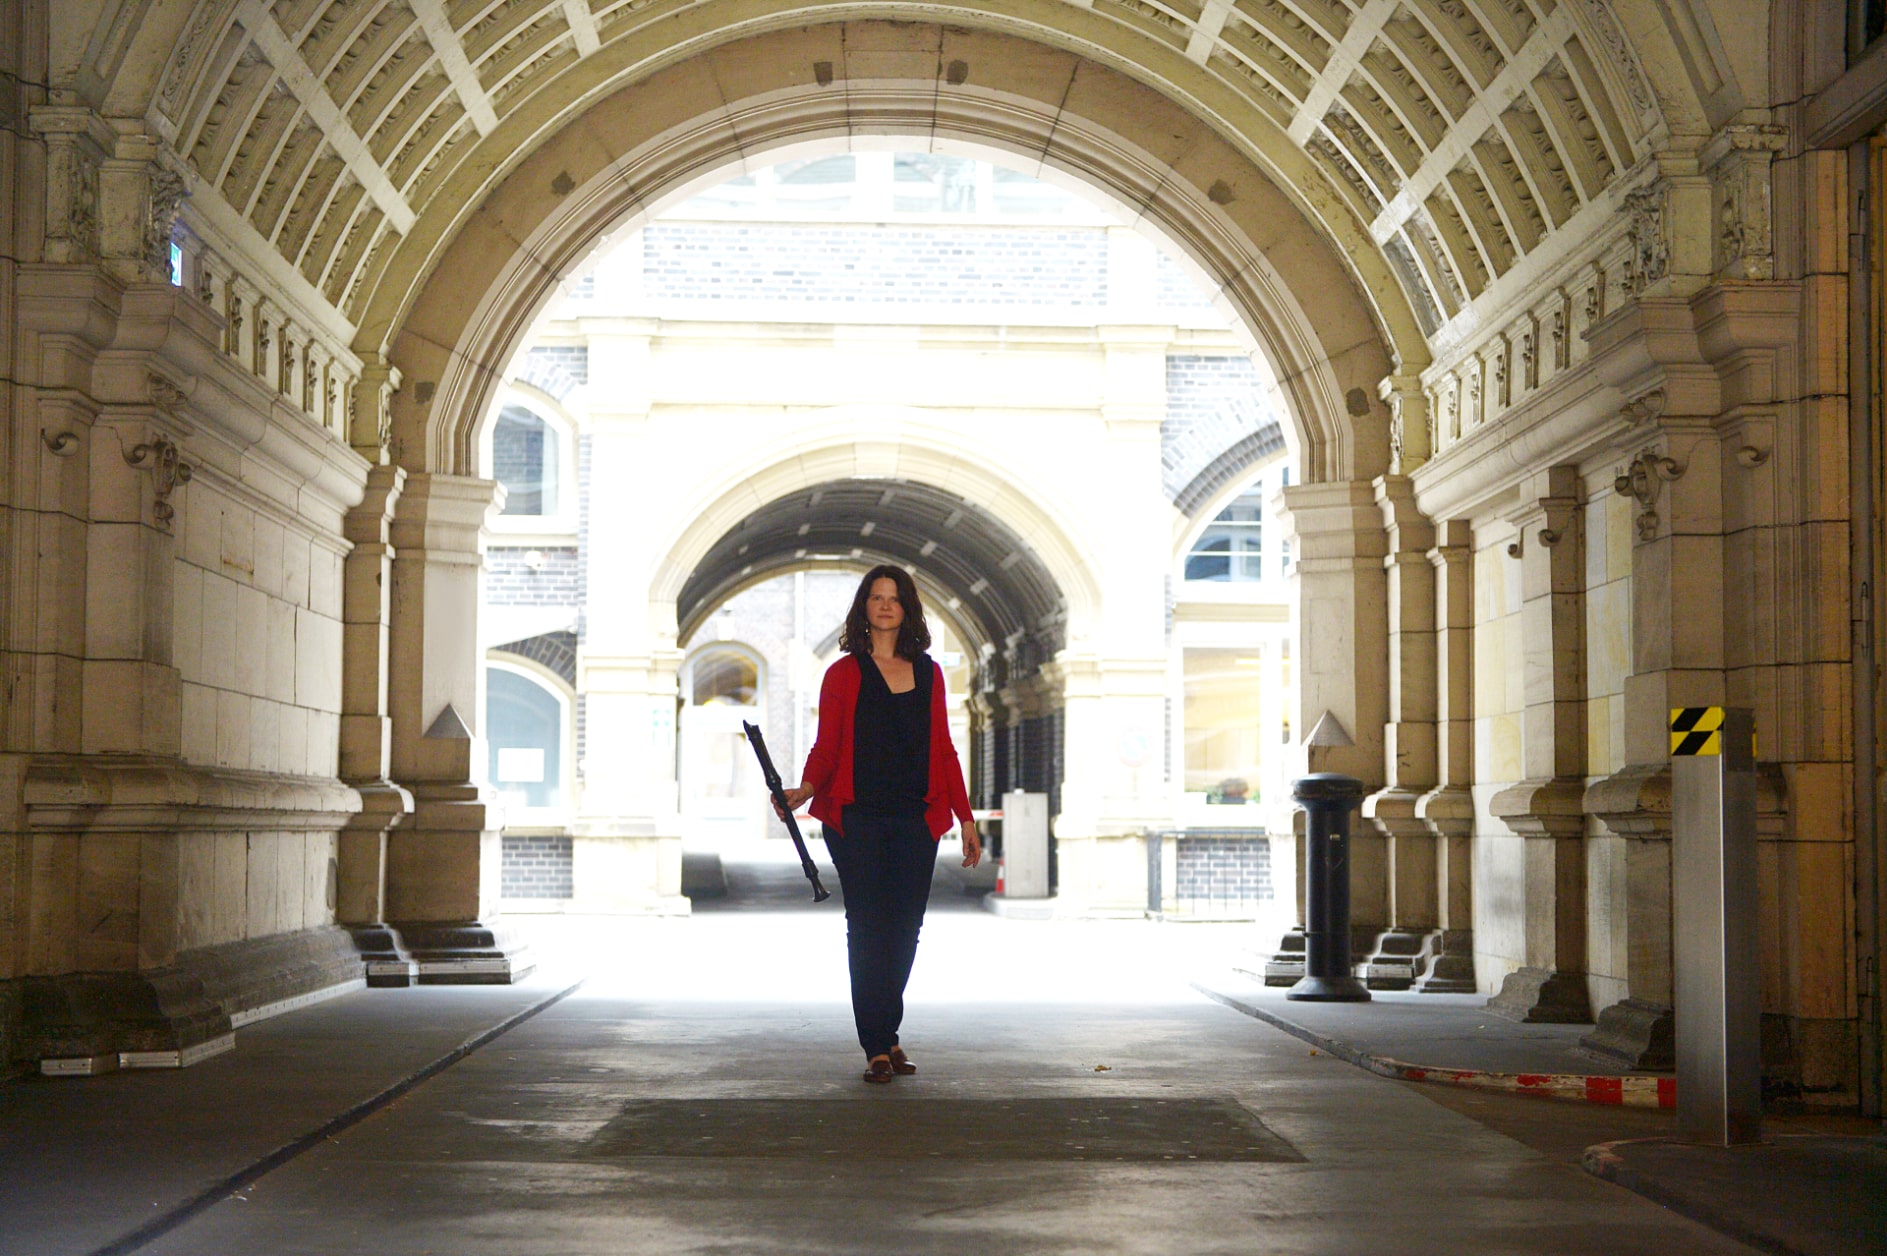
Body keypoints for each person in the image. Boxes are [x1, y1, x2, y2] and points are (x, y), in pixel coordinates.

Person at [774, 564, 982, 1083]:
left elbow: (944, 749)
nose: (886, 605)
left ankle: (887, 1032)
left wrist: (966, 817)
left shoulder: (930, 674)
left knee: (906, 929)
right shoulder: (842, 674)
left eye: (895, 598)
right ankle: (876, 1044)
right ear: (863, 607)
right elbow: (827, 747)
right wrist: (805, 789)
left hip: (917, 819)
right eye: (876, 596)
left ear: (907, 608)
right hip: (858, 821)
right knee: (868, 928)